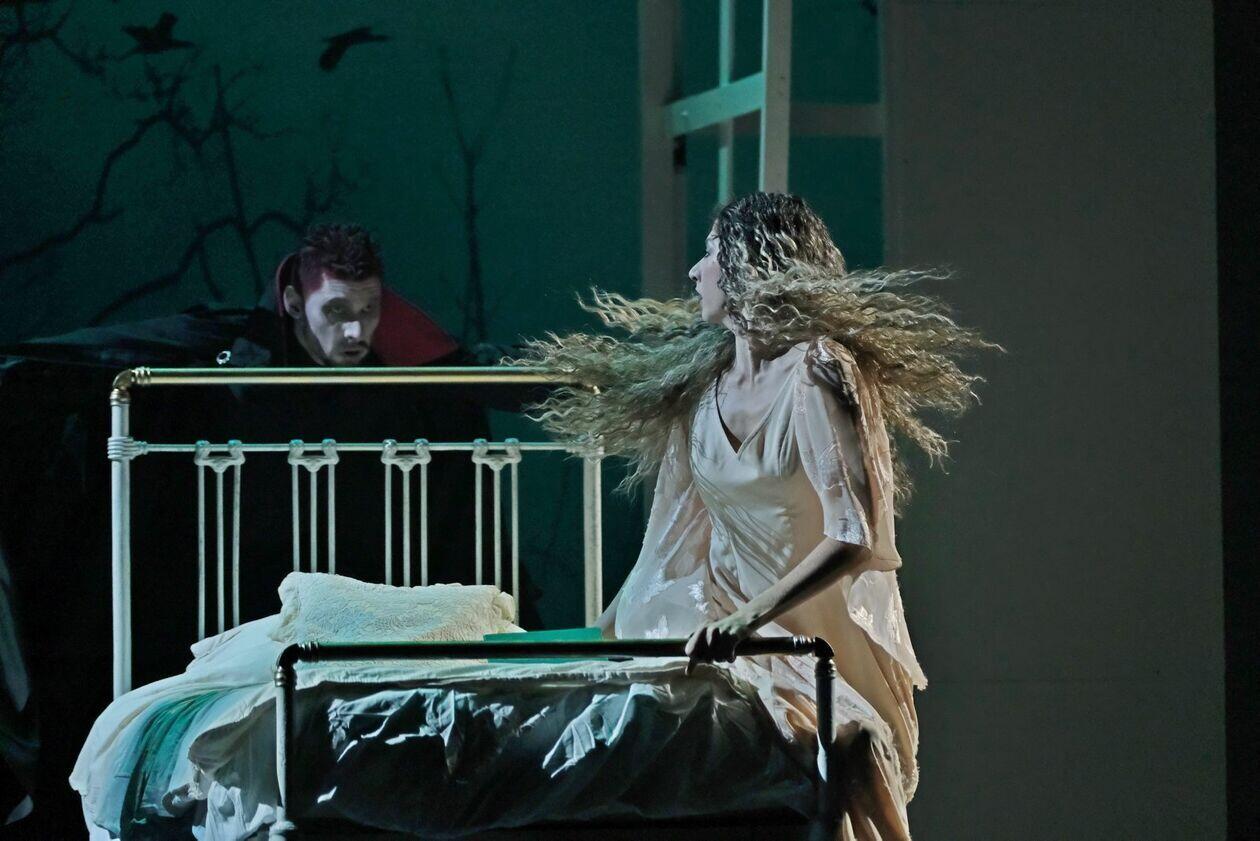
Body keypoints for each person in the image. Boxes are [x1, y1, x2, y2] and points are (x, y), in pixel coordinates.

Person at [0, 223, 537, 836]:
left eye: (369, 311)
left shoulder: (407, 359)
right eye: (337, 312)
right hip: (221, 582)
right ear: (293, 302)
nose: (356, 331)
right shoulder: (230, 351)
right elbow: (101, 358)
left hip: (354, 576)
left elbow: (470, 368)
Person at [521, 193, 999, 839]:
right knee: (651, 689)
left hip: (798, 628)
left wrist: (749, 621)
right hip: (715, 604)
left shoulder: (818, 370)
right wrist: (600, 633)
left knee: (848, 748)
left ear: (751, 263)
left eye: (710, 254)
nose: (695, 271)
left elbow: (855, 535)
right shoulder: (704, 389)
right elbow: (669, 535)